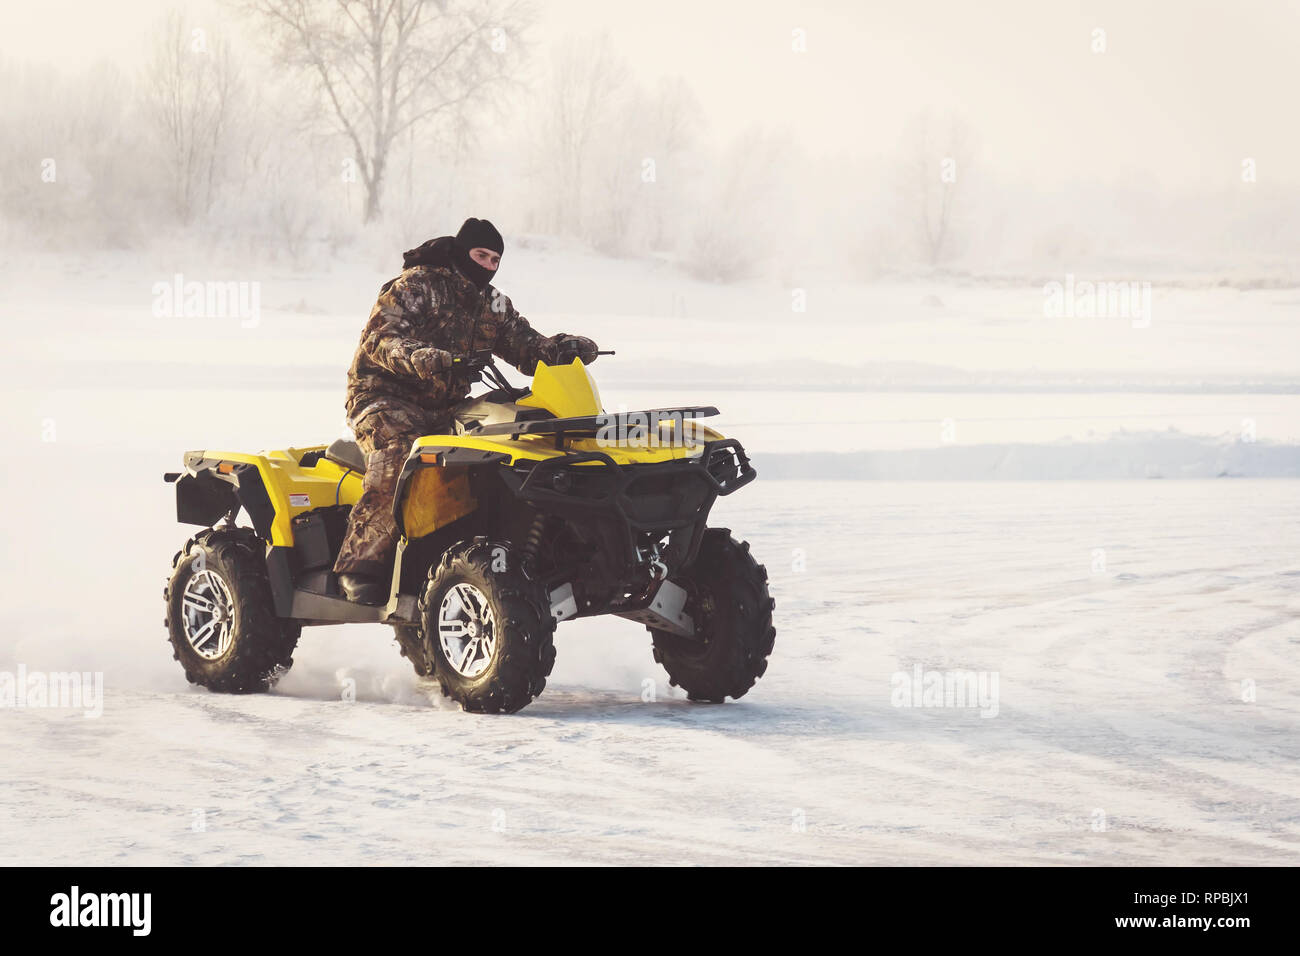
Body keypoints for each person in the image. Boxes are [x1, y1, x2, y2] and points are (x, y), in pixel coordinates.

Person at [332, 217, 599, 604]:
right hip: (384, 397)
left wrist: (562, 349)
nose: (488, 265)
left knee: (505, 444)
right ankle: (360, 564)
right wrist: (424, 357)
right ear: (461, 251)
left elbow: (526, 346)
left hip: (448, 405)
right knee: (396, 459)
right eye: (480, 255)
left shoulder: (492, 303)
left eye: (495, 259)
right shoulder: (416, 286)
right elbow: (381, 340)